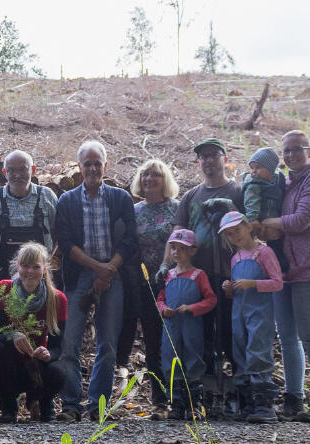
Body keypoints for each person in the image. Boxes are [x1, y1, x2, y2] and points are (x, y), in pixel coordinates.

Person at [52, 141, 138, 422]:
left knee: (108, 343)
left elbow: (130, 240)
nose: (92, 168)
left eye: (96, 163)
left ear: (105, 165)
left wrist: (109, 269)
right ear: (79, 167)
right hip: (78, 276)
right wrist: (97, 268)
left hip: (113, 275)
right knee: (69, 343)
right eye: (86, 163)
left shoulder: (120, 198)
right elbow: (65, 242)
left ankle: (97, 407)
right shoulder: (67, 201)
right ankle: (71, 405)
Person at [261, 130, 310, 423]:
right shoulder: (287, 182)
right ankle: (293, 399)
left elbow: (304, 220)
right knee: (287, 336)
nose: (291, 155)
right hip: (283, 268)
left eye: (297, 149)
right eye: (286, 151)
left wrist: (271, 223)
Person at [171, 137, 243, 416]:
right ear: (198, 162)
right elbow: (178, 233)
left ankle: (238, 391)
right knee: (202, 336)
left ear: (225, 159)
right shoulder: (191, 197)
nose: (209, 160)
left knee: (233, 333)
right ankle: (204, 391)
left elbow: (251, 228)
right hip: (198, 277)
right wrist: (172, 266)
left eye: (215, 155)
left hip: (231, 274)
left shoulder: (238, 190)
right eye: (204, 156)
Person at [0, 242, 66, 423]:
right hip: (11, 363)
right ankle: (8, 407)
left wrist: (48, 354)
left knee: (59, 371)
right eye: (25, 266)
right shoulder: (4, 290)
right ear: (17, 267)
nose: (30, 272)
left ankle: (42, 402)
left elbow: (57, 347)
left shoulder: (57, 299)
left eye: (36, 267)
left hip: (37, 364)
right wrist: (13, 335)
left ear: (45, 269)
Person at [122, 159, 180, 410]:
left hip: (174, 282)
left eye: (156, 174)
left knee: (177, 339)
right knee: (153, 341)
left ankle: (182, 396)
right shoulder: (134, 211)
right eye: (145, 174)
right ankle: (159, 400)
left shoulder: (177, 209)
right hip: (144, 285)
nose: (149, 179)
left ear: (164, 179)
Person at [217, 212, 283, 424]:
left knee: (258, 351)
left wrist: (253, 284)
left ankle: (265, 405)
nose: (234, 236)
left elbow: (277, 283)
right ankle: (248, 403)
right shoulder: (235, 258)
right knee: (240, 352)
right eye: (229, 234)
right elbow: (236, 289)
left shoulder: (264, 252)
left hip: (260, 313)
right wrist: (229, 288)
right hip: (239, 314)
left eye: (237, 230)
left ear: (248, 227)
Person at [155, 229, 217, 421]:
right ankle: (176, 404)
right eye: (173, 248)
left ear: (192, 251)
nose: (176, 253)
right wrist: (163, 309)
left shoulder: (198, 275)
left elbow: (211, 299)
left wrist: (193, 308)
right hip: (171, 326)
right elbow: (160, 298)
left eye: (182, 249)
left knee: (193, 358)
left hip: (192, 325)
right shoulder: (168, 275)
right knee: (170, 360)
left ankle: (193, 404)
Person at [0, 150, 58, 277]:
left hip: (40, 274)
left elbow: (56, 232)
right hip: (3, 273)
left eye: (23, 169)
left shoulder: (47, 196)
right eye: (11, 170)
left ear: (33, 170)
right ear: (4, 173)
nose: (17, 175)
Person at [241, 147, 289, 272]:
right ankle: (272, 267)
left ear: (270, 169)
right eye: (252, 168)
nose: (253, 172)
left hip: (276, 218)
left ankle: (278, 266)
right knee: (271, 241)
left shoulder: (278, 180)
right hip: (261, 219)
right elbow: (251, 201)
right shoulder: (254, 184)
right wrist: (253, 218)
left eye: (258, 168)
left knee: (278, 242)